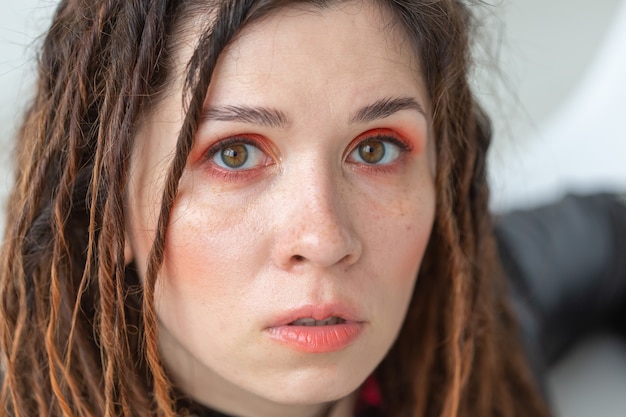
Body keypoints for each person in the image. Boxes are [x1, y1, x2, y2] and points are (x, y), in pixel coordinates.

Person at [0, 0, 554, 416]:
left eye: (375, 148)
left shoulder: (495, 317)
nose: (325, 239)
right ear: (107, 204)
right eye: (234, 154)